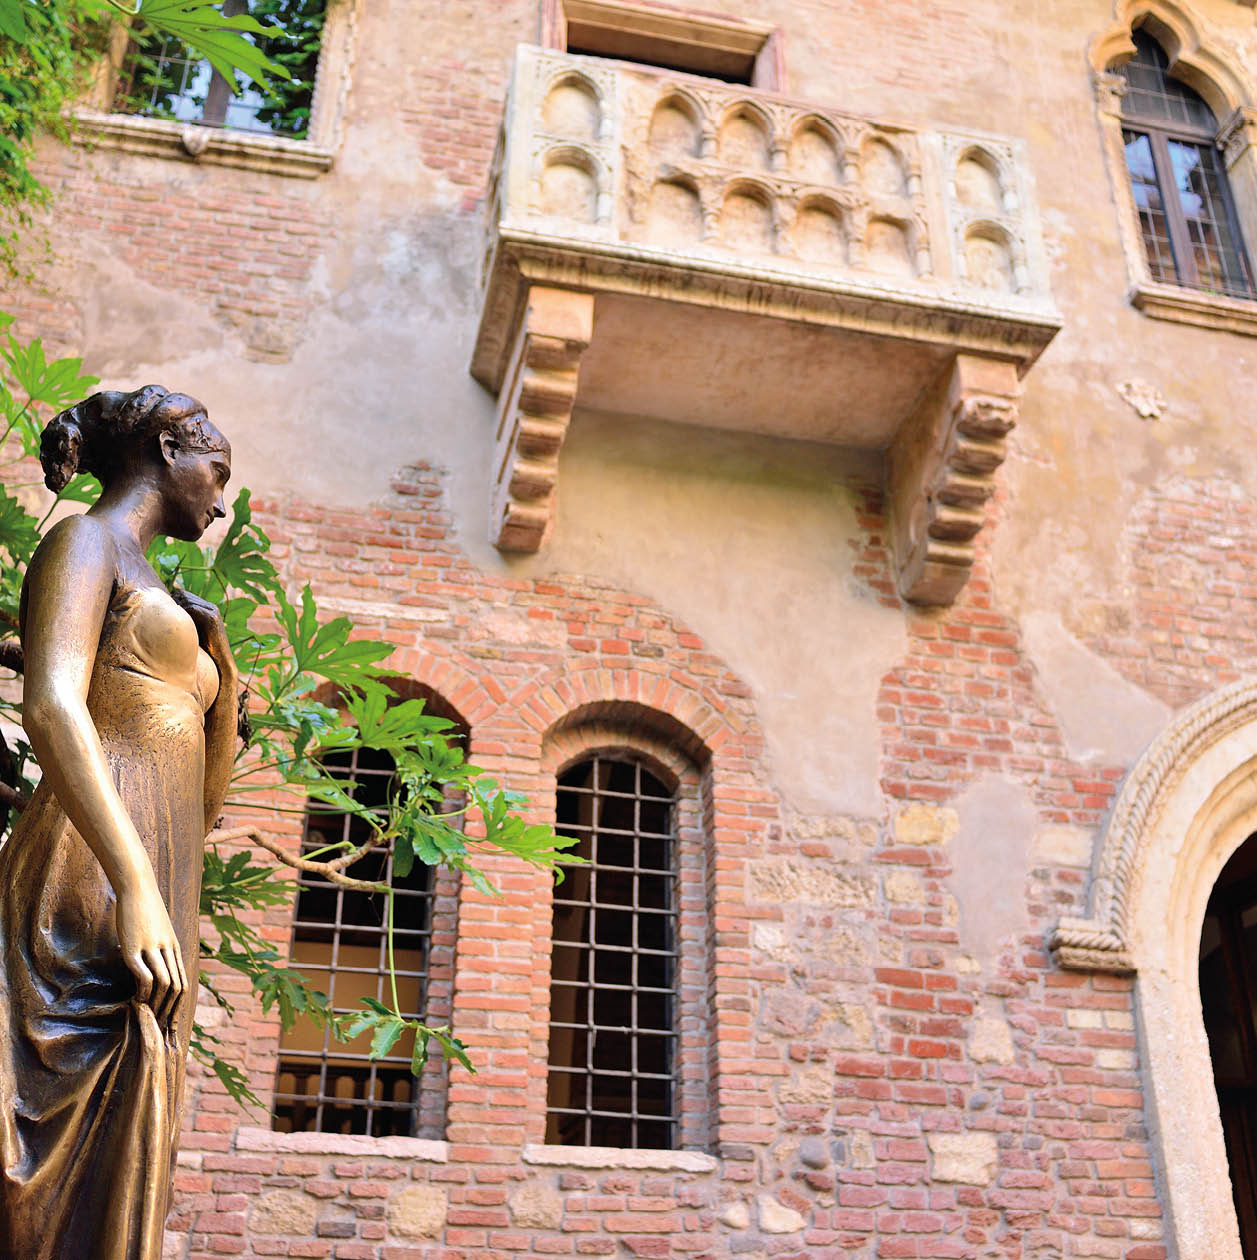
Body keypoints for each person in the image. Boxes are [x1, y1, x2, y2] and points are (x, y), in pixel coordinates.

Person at [0, 386, 239, 1260]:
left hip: (159, 874)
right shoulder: (83, 541)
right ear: (171, 449)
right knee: (49, 1117)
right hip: (90, 868)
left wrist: (225, 672)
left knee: (133, 1135)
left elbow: (205, 805)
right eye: (217, 471)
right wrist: (133, 883)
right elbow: (54, 708)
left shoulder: (168, 595)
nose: (220, 501)